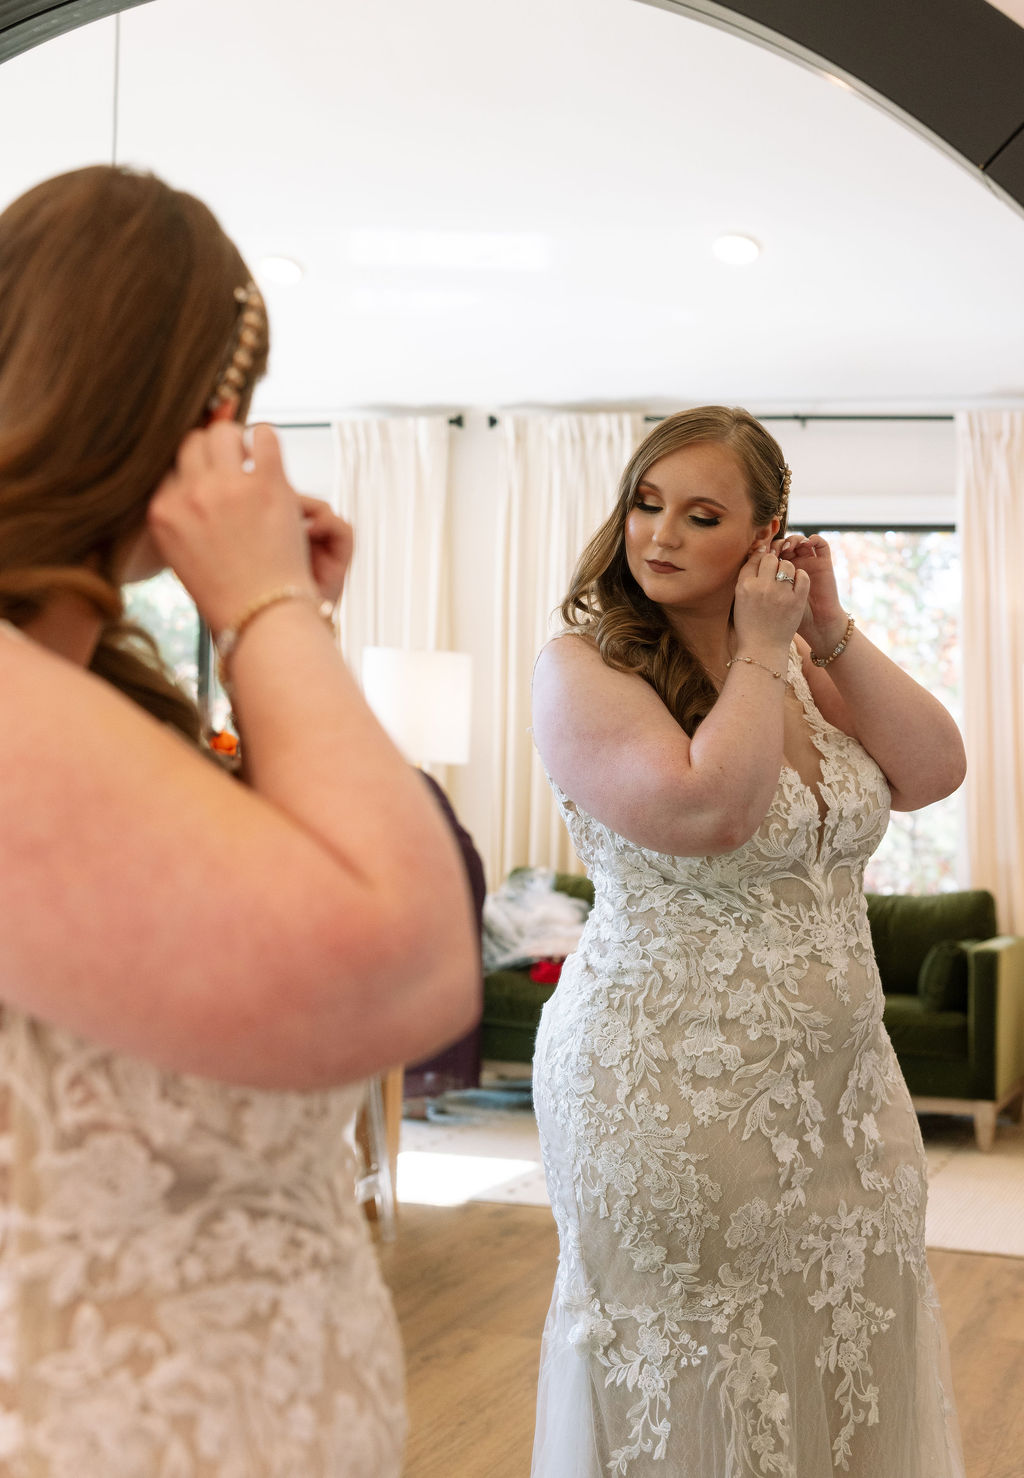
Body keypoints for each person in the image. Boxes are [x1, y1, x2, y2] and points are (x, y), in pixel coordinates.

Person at [0, 165, 479, 1476]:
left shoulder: (94, 690)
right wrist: (269, 606)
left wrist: (278, 622)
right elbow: (409, 958)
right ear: (198, 414)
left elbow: (291, 883)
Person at [530, 406, 967, 1478]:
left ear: (767, 535)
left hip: (844, 1098)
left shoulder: (801, 670)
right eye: (646, 502)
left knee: (847, 1337)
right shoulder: (585, 668)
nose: (660, 534)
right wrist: (761, 651)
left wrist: (827, 629)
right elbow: (708, 811)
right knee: (700, 1361)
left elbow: (933, 769)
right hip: (667, 1091)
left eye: (701, 512)